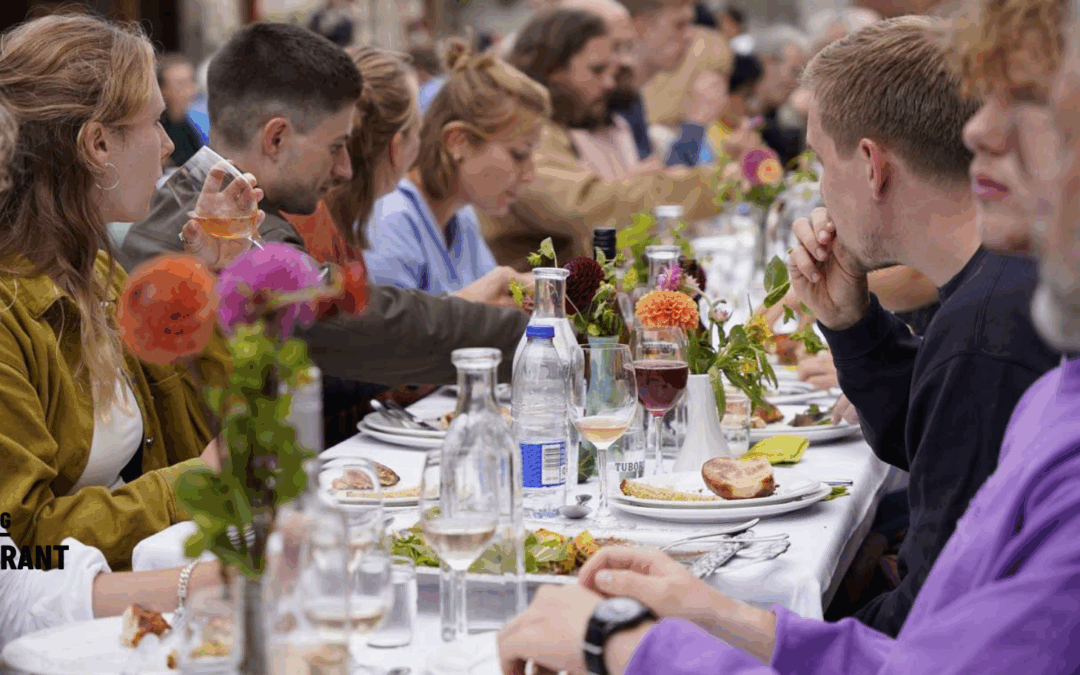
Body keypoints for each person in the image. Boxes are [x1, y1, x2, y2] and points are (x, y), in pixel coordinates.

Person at [496, 3, 1080, 672]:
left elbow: (918, 637)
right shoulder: (1033, 375)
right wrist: (718, 614)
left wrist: (627, 645)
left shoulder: (995, 331)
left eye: (1032, 108)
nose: (977, 130)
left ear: (870, 163)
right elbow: (931, 455)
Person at [119, 22, 530, 386]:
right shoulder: (234, 230)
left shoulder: (179, 202)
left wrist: (459, 308)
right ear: (276, 139)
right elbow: (359, 325)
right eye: (335, 147)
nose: (345, 169)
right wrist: (533, 337)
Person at [0, 13, 255, 570]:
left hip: (144, 587)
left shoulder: (94, 270)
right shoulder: (10, 314)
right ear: (96, 144)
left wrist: (207, 280)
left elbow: (205, 429)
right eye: (154, 124)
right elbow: (19, 546)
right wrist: (191, 483)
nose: (167, 146)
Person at [484, 8, 723, 267]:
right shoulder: (524, 131)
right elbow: (588, 207)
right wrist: (717, 186)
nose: (609, 81)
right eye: (597, 70)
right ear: (552, 70)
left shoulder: (570, 125)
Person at [366, 41, 545, 300]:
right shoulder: (390, 220)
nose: (530, 174)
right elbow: (394, 335)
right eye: (518, 154)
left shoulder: (462, 218)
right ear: (458, 142)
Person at [752, 25, 810, 165]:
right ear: (767, 62)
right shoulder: (729, 106)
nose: (798, 84)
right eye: (795, 72)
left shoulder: (775, 119)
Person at [157, 54, 204, 167]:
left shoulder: (187, 125)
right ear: (162, 89)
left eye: (191, 81)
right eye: (181, 84)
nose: (190, 90)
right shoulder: (156, 127)